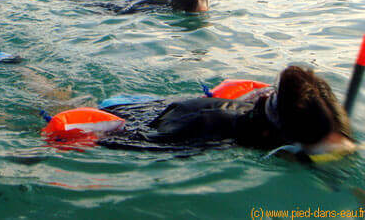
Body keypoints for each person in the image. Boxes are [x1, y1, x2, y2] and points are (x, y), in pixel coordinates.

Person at [97, 66, 356, 159]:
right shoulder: (207, 132)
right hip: (132, 113)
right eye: (321, 155)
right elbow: (127, 140)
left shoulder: (265, 123)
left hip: (175, 107)